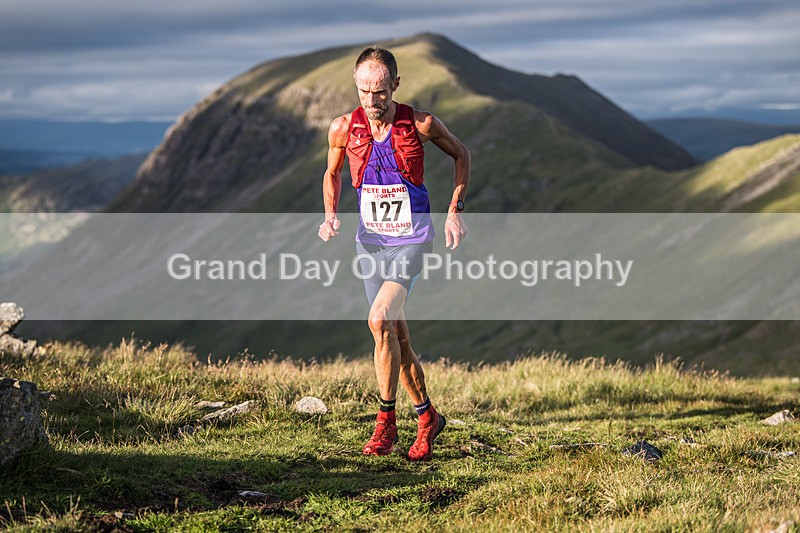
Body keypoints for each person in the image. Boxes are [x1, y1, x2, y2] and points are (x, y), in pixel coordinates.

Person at [318, 46, 470, 461]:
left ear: (396, 86)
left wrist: (454, 211)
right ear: (356, 85)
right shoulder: (343, 128)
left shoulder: (421, 124)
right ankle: (428, 417)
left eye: (381, 91)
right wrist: (330, 214)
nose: (372, 100)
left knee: (379, 319)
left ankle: (385, 423)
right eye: (364, 90)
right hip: (370, 243)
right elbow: (331, 172)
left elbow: (462, 154)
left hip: (412, 239)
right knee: (394, 337)